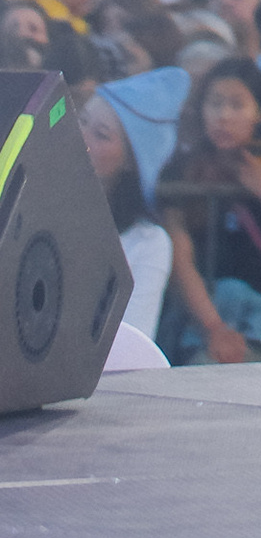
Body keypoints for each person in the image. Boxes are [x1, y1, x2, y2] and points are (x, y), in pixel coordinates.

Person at [158, 60, 261, 362]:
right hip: (205, 320)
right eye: (215, 103)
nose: (223, 116)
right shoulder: (180, 171)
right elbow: (179, 257)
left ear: (259, 113)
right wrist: (214, 328)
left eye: (237, 105)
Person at [76, 64, 192, 350]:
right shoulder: (24, 195)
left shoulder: (148, 243)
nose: (81, 139)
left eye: (101, 135)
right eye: (81, 120)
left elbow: (130, 343)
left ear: (130, 161)